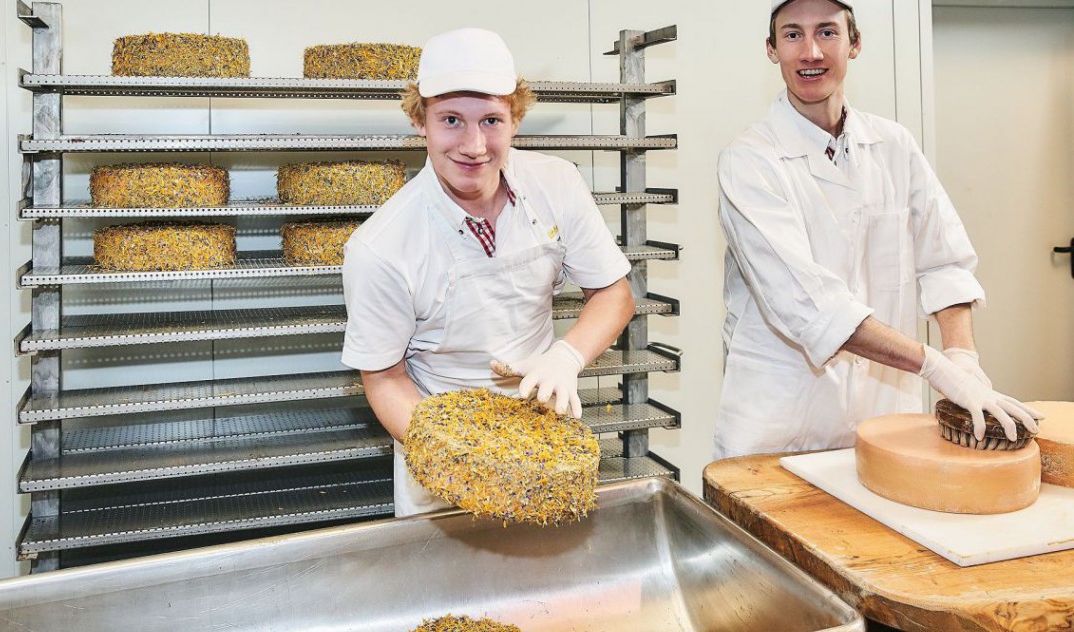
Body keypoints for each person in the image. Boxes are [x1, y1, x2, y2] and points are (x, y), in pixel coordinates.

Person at [712, 0, 1040, 462]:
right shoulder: (749, 161)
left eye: (827, 32)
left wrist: (963, 356)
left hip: (885, 418)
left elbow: (944, 260)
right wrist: (935, 367)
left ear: (855, 44)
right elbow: (810, 306)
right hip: (780, 426)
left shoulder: (894, 145)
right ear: (771, 50)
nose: (811, 52)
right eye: (792, 35)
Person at [341, 27, 635, 517]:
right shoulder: (381, 247)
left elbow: (614, 294)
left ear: (515, 119)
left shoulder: (556, 184)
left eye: (492, 120)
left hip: (543, 442)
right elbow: (384, 378)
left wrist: (565, 357)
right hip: (438, 460)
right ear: (421, 122)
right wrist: (466, 461)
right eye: (452, 120)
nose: (475, 146)